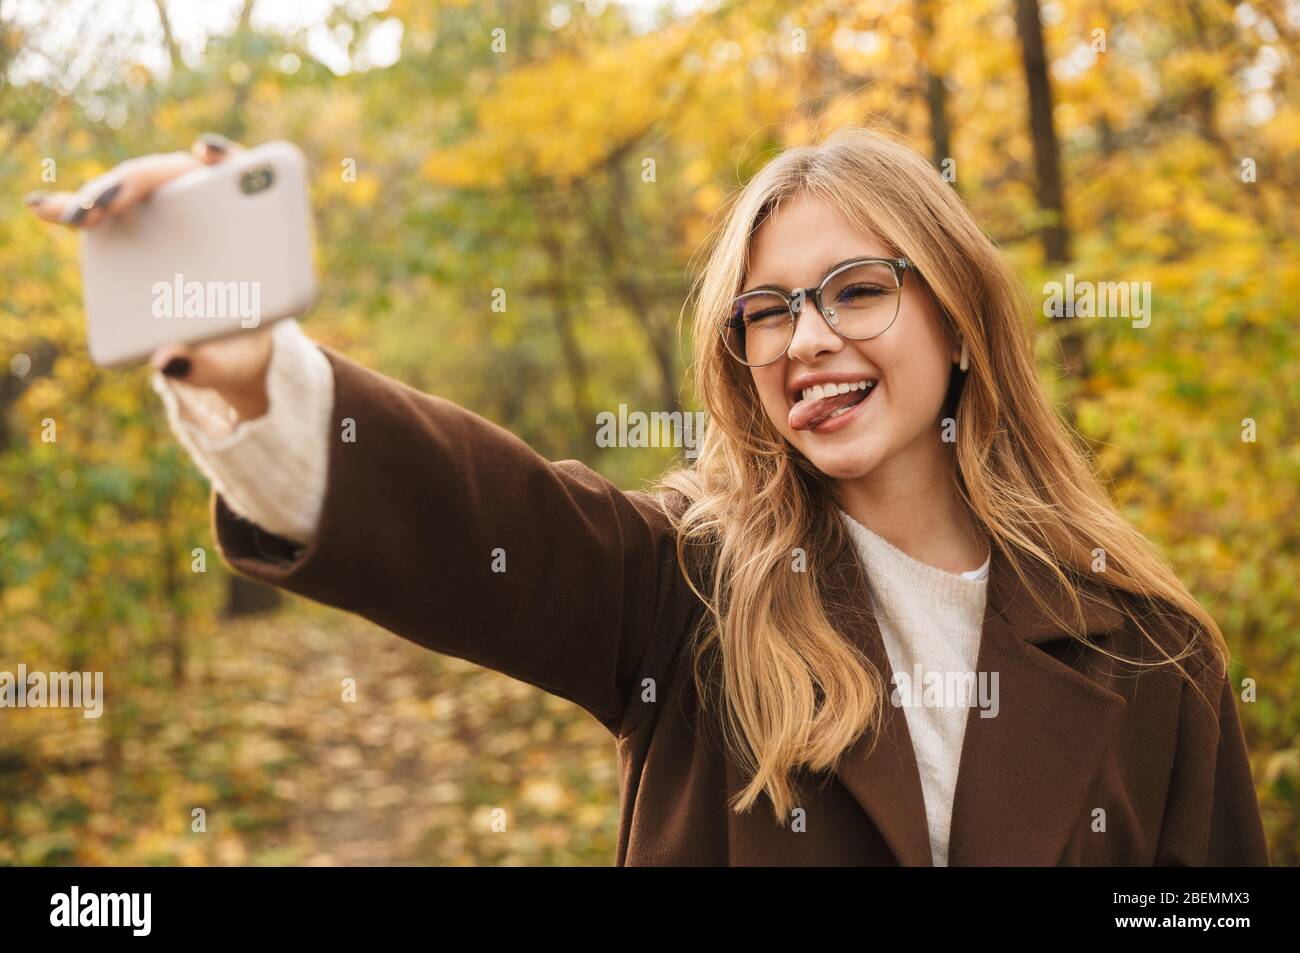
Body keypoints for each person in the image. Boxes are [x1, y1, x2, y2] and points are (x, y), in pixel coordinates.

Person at [27, 126, 1271, 866]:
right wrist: (251, 370)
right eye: (766, 311)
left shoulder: (1152, 656)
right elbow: (484, 524)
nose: (804, 340)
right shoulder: (684, 589)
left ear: (956, 315)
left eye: (853, 289)